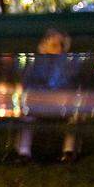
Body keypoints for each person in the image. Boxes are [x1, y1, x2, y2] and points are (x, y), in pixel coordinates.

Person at [15, 28, 72, 163]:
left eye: (60, 45)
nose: (58, 49)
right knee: (27, 113)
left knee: (75, 112)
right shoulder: (36, 63)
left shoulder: (66, 63)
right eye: (53, 45)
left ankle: (69, 150)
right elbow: (27, 83)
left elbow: (69, 84)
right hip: (39, 101)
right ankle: (24, 152)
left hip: (60, 102)